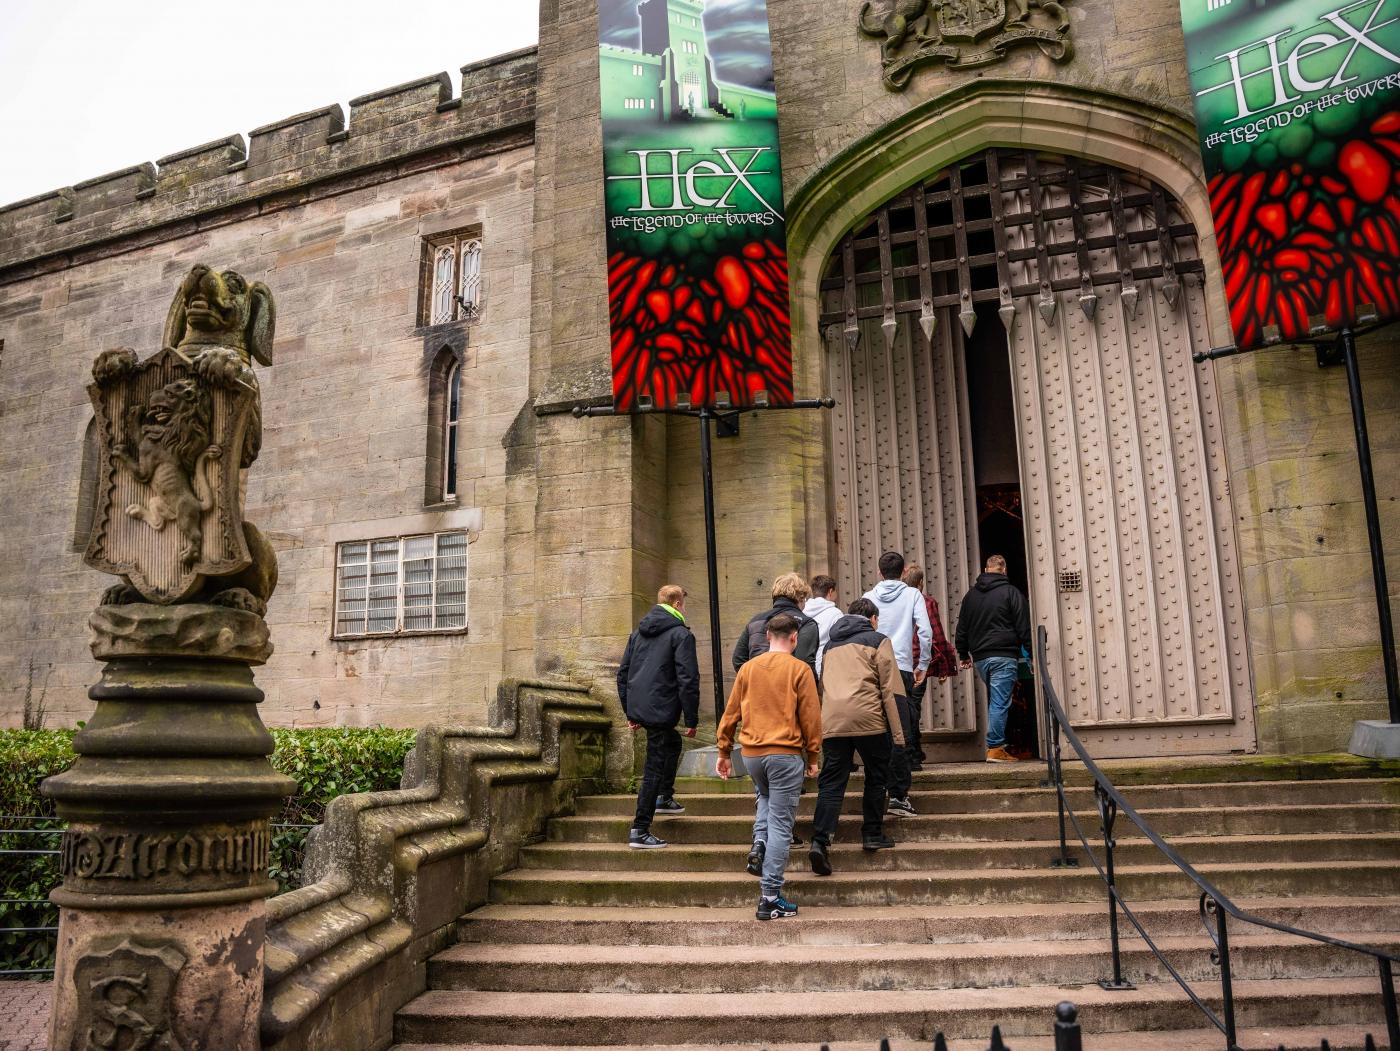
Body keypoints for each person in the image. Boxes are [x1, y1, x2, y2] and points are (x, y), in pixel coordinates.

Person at [716, 613, 822, 920]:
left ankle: (759, 842)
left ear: (766, 636)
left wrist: (724, 751)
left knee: (764, 797)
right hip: (784, 754)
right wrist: (813, 757)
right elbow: (811, 718)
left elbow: (730, 714)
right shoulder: (799, 669)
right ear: (794, 638)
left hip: (752, 755)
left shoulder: (748, 668)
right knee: (781, 825)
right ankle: (770, 896)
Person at [808, 598, 901, 876]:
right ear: (873, 618)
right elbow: (889, 689)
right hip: (869, 718)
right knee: (876, 775)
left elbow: (822, 686)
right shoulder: (878, 640)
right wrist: (899, 735)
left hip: (833, 721)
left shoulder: (830, 645)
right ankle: (872, 833)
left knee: (831, 782)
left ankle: (820, 841)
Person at [618, 584, 700, 848]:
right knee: (654, 765)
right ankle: (640, 829)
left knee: (672, 743)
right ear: (676, 604)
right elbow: (688, 679)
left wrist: (630, 711)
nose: (684, 608)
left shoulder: (637, 634)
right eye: (683, 603)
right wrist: (691, 719)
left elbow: (623, 674)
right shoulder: (681, 635)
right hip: (662, 709)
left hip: (642, 707)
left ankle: (664, 796)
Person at [863, 551, 931, 817]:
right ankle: (898, 795)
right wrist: (922, 664)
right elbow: (925, 632)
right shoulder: (913, 595)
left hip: (872, 669)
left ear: (879, 573)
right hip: (901, 667)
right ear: (904, 572)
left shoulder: (868, 597)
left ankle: (876, 789)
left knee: (876, 730)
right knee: (900, 731)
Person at [955, 554, 1033, 763]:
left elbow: (962, 628)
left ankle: (998, 745)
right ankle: (995, 748)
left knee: (997, 700)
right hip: (1003, 655)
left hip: (981, 658)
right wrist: (1031, 653)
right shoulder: (1011, 592)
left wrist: (963, 653)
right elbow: (1023, 626)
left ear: (985, 570)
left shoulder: (970, 596)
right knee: (999, 702)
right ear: (1004, 570)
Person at [901, 564, 960, 768]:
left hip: (895, 662)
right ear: (920, 583)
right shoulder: (926, 602)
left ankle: (911, 753)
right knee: (913, 708)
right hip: (917, 663)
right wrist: (946, 666)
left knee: (903, 707)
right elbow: (936, 634)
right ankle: (912, 755)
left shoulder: (892, 601)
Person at [733, 573, 819, 678]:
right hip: (788, 686)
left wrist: (754, 680)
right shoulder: (806, 623)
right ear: (801, 598)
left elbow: (738, 659)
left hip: (757, 685)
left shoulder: (755, 621)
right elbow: (805, 663)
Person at [802, 574, 844, 677]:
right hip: (825, 667)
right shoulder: (836, 614)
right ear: (830, 591)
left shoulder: (802, 610)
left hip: (804, 667)